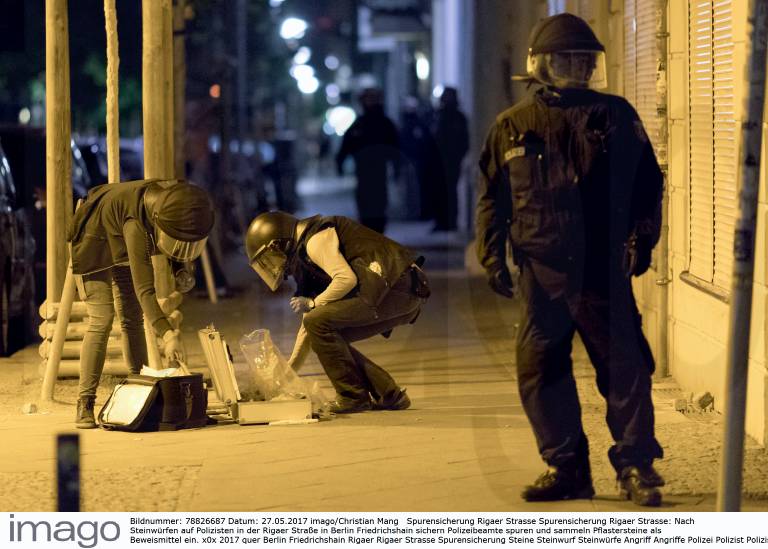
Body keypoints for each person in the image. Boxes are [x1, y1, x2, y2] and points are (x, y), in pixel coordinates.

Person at [475, 13, 665, 506]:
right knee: (541, 371)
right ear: (540, 65)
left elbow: (648, 184)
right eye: (566, 61)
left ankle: (636, 466)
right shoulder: (513, 126)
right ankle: (566, 468)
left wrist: (643, 239)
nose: (577, 70)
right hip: (541, 272)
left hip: (602, 268)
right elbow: (493, 196)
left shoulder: (615, 115)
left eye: (585, 62)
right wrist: (490, 252)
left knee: (625, 368)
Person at [245, 211, 430, 413]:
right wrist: (283, 378)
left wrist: (314, 303)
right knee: (323, 337)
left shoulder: (315, 240)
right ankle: (389, 394)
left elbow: (346, 279)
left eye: (271, 259)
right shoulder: (304, 255)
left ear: (280, 243)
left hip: (398, 287)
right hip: (397, 290)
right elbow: (309, 329)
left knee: (319, 323)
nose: (275, 267)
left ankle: (352, 397)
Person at [69, 179, 215, 428]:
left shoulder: (172, 201)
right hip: (94, 242)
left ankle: (139, 390)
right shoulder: (135, 225)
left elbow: (176, 234)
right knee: (102, 319)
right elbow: (145, 290)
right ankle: (85, 401)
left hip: (118, 234)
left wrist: (180, 267)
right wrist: (167, 334)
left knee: (132, 318)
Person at [336, 88, 400, 233]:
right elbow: (346, 146)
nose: (370, 102)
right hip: (363, 174)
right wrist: (339, 163)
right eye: (367, 99)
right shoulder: (359, 124)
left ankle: (378, 236)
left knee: (379, 208)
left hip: (379, 173)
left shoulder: (385, 124)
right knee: (365, 209)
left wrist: (397, 168)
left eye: (373, 98)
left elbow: (395, 148)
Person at [432, 86, 469, 231]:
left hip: (451, 161)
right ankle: (440, 221)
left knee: (450, 191)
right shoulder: (439, 115)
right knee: (438, 191)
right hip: (438, 161)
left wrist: (456, 156)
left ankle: (450, 222)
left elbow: (463, 141)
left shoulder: (458, 118)